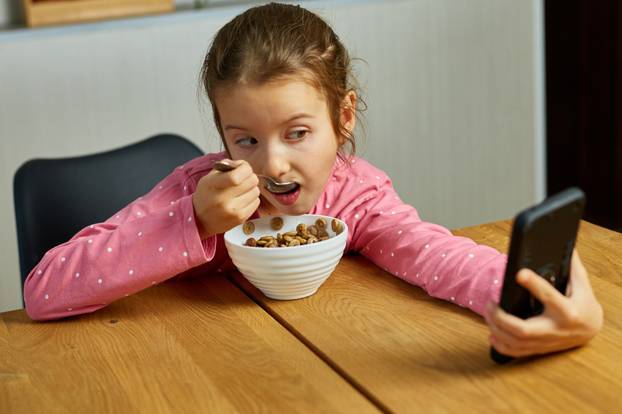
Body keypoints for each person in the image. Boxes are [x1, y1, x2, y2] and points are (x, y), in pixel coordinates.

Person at [23, 2, 602, 359]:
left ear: (342, 117)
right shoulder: (195, 190)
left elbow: (438, 255)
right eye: (245, 139)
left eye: (297, 133)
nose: (272, 165)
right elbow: (43, 291)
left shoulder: (357, 195)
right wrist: (193, 220)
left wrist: (533, 301)